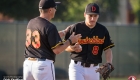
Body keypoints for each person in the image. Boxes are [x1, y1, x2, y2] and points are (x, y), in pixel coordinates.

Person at [23, 0, 82, 80]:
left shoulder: (31, 22)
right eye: (55, 7)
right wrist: (70, 40)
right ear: (50, 10)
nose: (56, 10)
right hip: (42, 66)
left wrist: (64, 32)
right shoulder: (50, 26)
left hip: (28, 64)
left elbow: (44, 36)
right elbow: (57, 50)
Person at [64, 3, 115, 80]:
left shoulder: (102, 30)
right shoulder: (76, 28)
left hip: (94, 69)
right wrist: (72, 48)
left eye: (95, 16)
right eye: (90, 15)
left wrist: (109, 62)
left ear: (98, 16)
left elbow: (107, 49)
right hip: (77, 67)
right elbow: (65, 47)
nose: (92, 19)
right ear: (84, 14)